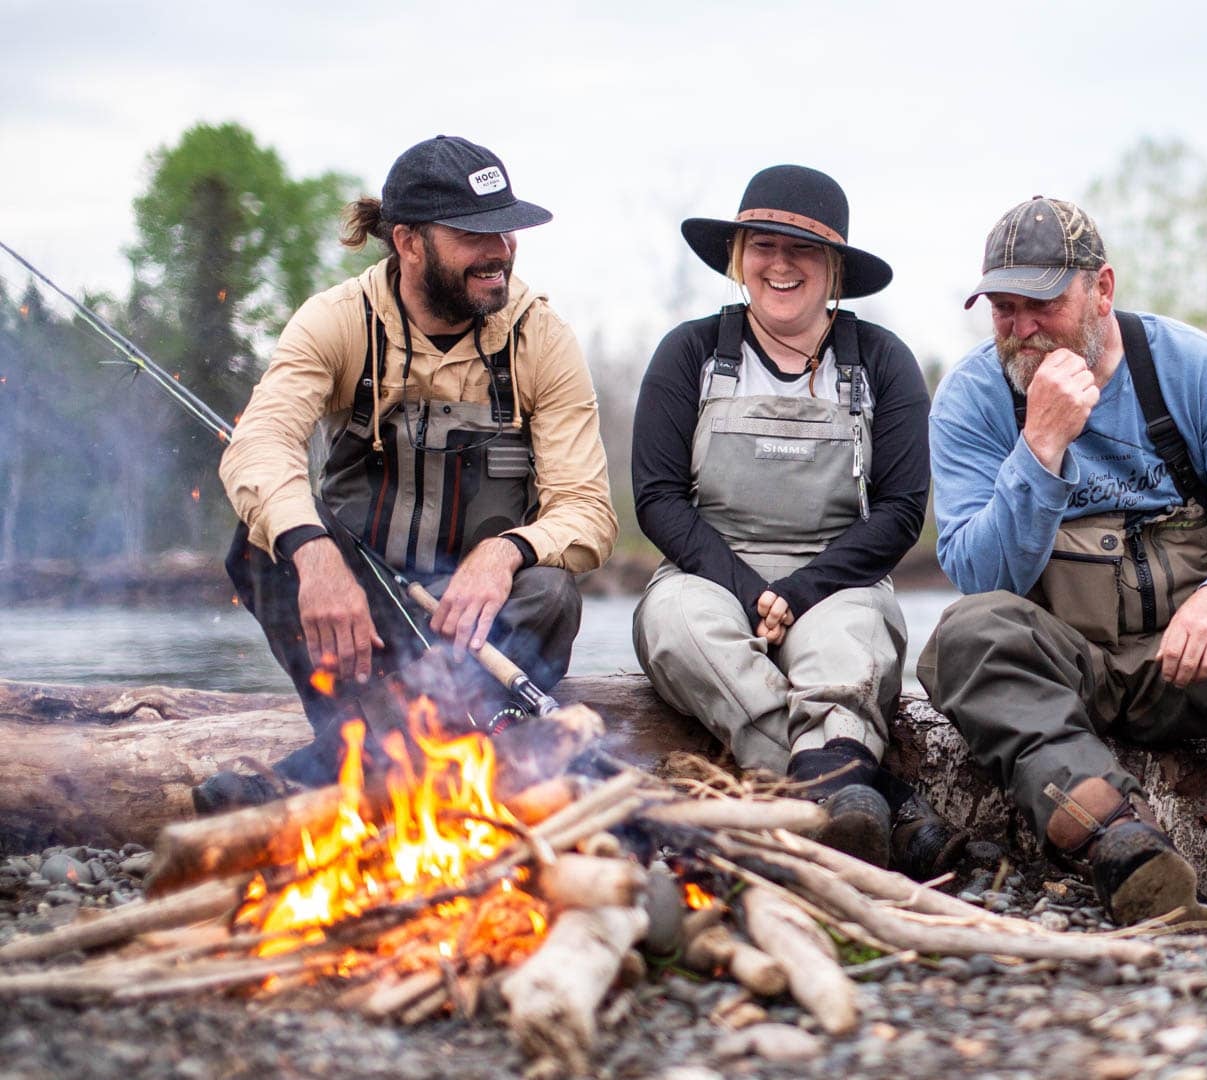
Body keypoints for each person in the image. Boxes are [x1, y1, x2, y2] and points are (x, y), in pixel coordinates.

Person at [918, 196, 1207, 933]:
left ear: (1102, 290)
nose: (1023, 329)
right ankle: (1127, 852)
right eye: (1003, 307)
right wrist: (1040, 449)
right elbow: (976, 576)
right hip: (1072, 669)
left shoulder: (1190, 370)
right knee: (966, 633)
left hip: (1195, 667)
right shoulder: (971, 398)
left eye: (1042, 303)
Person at [208, 135, 617, 809]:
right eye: (472, 236)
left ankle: (321, 776)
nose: (500, 252)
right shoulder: (336, 322)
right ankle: (424, 754)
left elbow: (588, 511)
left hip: (483, 631)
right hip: (362, 625)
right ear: (407, 242)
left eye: (507, 232)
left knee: (549, 590)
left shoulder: (541, 338)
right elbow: (259, 447)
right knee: (258, 546)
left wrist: (506, 550)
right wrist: (313, 553)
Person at [631, 165, 957, 877]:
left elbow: (903, 510)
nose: (780, 263)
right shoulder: (689, 354)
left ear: (835, 267)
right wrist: (750, 592)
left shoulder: (880, 360)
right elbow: (656, 498)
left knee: (853, 646)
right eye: (762, 244)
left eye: (802, 249)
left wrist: (802, 591)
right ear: (737, 255)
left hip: (840, 577)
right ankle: (845, 794)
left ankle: (801, 807)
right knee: (684, 633)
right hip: (705, 571)